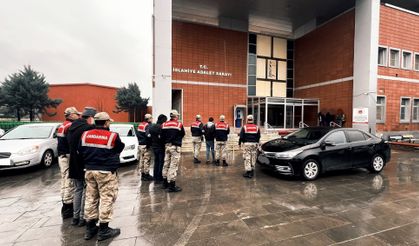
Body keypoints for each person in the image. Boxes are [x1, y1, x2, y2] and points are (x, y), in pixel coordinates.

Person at [78, 112, 125, 241]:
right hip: (105, 171)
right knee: (106, 198)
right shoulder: (112, 136)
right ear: (106, 123)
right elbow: (119, 148)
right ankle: (104, 229)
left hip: (89, 170)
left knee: (91, 198)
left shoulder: (85, 135)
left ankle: (90, 228)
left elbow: (80, 150)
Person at [67, 107, 96, 227]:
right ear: (90, 118)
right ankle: (82, 218)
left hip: (73, 162)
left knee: (77, 190)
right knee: (86, 190)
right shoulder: (87, 128)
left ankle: (75, 217)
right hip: (84, 163)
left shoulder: (71, 127)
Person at [57, 107, 80, 219]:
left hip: (62, 156)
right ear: (71, 115)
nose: (78, 116)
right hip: (67, 156)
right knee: (69, 181)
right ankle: (68, 207)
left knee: (64, 180)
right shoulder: (69, 126)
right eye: (76, 114)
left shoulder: (62, 125)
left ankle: (65, 203)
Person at [161, 110, 185, 192]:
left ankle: (164, 183)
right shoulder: (179, 124)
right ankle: (171, 185)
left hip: (167, 146)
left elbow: (162, 136)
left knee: (166, 164)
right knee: (173, 166)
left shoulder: (164, 124)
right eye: (177, 116)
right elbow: (182, 134)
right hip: (175, 147)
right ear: (176, 116)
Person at [149, 114, 167, 183]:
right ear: (162, 120)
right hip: (161, 146)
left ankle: (155, 176)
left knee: (156, 162)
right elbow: (163, 137)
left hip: (154, 146)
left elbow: (150, 136)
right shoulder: (161, 127)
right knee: (161, 162)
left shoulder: (152, 127)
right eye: (165, 120)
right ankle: (159, 178)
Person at [137, 114, 153, 181]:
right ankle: (146, 175)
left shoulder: (140, 124)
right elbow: (148, 136)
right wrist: (149, 144)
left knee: (141, 160)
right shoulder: (148, 126)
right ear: (148, 119)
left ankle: (142, 174)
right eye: (151, 118)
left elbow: (138, 134)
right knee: (146, 160)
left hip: (140, 145)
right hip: (145, 145)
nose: (152, 119)